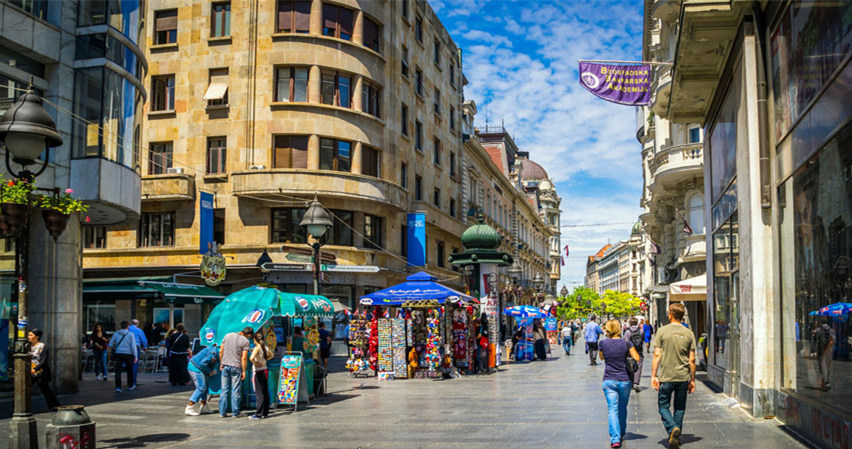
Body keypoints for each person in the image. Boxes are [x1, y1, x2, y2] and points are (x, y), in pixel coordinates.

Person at [650, 303, 696, 449]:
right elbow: (692, 360)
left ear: (670, 314)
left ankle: (672, 429)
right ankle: (677, 436)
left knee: (663, 406)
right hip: (683, 377)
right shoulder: (689, 333)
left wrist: (653, 375)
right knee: (680, 408)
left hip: (666, 376)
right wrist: (693, 379)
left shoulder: (662, 331)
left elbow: (657, 354)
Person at [599, 320, 641, 448]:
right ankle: (621, 432)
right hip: (624, 380)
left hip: (609, 380)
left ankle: (615, 438)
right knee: (622, 407)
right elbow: (637, 358)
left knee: (612, 409)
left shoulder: (603, 343)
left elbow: (601, 358)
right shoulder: (626, 342)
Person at [219, 327, 252, 417]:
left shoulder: (227, 335)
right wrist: (244, 371)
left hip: (225, 365)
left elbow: (221, 350)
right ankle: (235, 412)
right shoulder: (245, 341)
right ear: (248, 335)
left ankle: (222, 412)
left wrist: (221, 363)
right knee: (235, 390)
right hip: (236, 367)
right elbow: (244, 358)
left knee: (224, 390)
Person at [28, 329, 60, 410]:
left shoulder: (42, 346)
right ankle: (16, 406)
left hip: (40, 371)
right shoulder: (27, 345)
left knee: (45, 389)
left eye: (31, 335)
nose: (29, 337)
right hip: (29, 370)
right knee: (24, 388)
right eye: (28, 335)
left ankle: (54, 405)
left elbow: (44, 360)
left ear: (37, 337)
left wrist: (35, 369)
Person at [185, 344, 219, 416]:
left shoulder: (214, 350)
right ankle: (190, 406)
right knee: (201, 387)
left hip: (195, 366)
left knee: (204, 387)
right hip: (196, 368)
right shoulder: (214, 353)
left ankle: (204, 406)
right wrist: (210, 371)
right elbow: (202, 364)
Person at [249, 332, 274, 419]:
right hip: (265, 370)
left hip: (258, 371)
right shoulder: (265, 347)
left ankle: (258, 413)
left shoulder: (256, 348)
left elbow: (251, 358)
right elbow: (271, 355)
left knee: (259, 393)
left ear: (254, 339)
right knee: (265, 391)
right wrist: (265, 361)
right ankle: (265, 412)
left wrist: (256, 363)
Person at [109, 320, 138, 392]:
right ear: (128, 326)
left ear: (120, 326)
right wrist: (135, 356)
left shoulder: (116, 333)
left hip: (119, 353)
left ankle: (118, 387)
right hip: (129, 354)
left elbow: (110, 344)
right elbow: (133, 346)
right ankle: (130, 385)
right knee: (129, 370)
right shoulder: (131, 334)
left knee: (118, 371)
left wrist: (116, 347)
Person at [623, 318, 645, 392]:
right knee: (638, 366)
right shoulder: (641, 331)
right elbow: (643, 339)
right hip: (639, 351)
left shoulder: (627, 332)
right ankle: (636, 383)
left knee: (629, 365)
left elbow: (625, 341)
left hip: (629, 351)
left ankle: (630, 382)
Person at [814, 320, 835, 391]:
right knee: (828, 367)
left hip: (820, 351)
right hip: (829, 351)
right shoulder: (832, 330)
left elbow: (815, 340)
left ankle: (825, 383)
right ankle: (826, 383)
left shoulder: (819, 330)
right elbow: (833, 341)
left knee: (822, 368)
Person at [128, 319, 148, 384]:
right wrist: (145, 347)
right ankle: (133, 381)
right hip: (136, 347)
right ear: (137, 324)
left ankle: (129, 380)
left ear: (131, 323)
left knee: (128, 365)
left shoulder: (127, 330)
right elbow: (144, 340)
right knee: (135, 365)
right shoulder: (139, 330)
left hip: (127, 348)